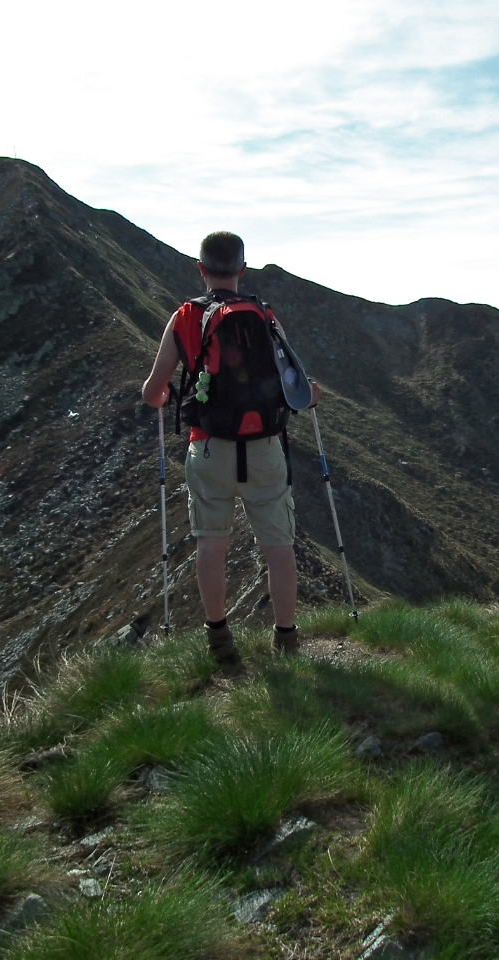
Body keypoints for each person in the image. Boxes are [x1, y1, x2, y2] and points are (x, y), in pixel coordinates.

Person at [141, 231, 319, 667]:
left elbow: (152, 391)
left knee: (211, 545)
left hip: (209, 451)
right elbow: (296, 386)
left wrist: (162, 396)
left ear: (200, 269)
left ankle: (220, 642)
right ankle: (286, 640)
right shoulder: (265, 315)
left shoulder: (184, 317)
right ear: (243, 269)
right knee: (278, 546)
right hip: (263, 449)